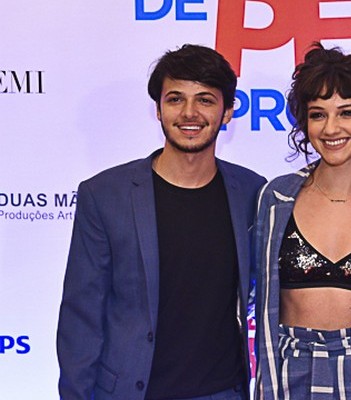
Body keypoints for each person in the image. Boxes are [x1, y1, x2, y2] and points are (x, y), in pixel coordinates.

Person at [56, 44, 265, 400]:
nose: (189, 113)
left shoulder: (252, 192)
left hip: (223, 391)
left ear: (228, 111)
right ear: (158, 110)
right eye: (175, 99)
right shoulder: (105, 195)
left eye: (205, 100)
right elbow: (81, 317)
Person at [253, 44, 351, 400]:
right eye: (318, 115)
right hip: (290, 372)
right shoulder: (275, 199)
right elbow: (256, 299)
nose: (331, 128)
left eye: (347, 113)